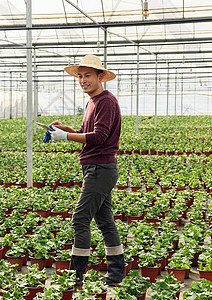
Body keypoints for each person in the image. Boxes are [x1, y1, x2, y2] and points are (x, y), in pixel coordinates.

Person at [49, 54, 124, 286]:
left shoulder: (106, 101)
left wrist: (66, 137)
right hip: (95, 167)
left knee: (80, 219)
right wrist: (67, 129)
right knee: (104, 220)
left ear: (100, 76)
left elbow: (100, 137)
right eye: (80, 76)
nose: (83, 80)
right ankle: (115, 273)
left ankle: (75, 277)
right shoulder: (92, 102)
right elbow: (86, 133)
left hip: (100, 168)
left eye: (88, 76)